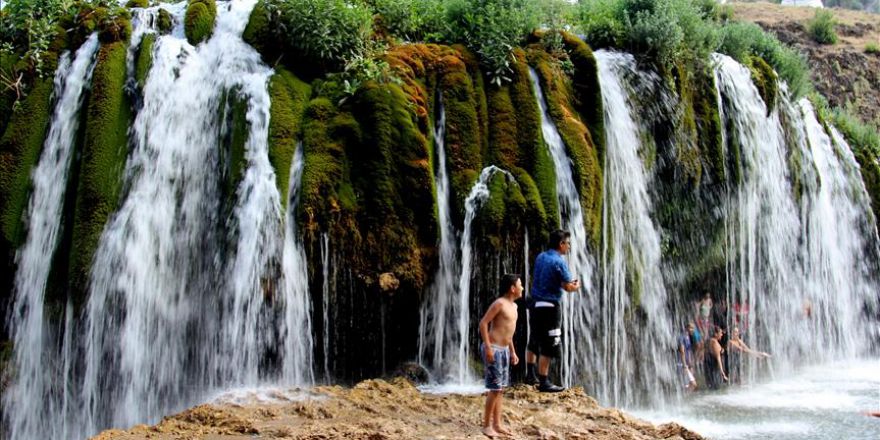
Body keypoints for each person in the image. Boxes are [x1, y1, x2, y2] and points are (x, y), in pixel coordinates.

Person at [524, 230, 581, 392]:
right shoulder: (559, 262)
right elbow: (568, 286)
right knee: (549, 344)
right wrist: (575, 286)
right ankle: (544, 382)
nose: (569, 247)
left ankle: (530, 374)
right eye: (567, 243)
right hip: (550, 307)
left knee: (534, 338)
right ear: (561, 244)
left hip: (534, 304)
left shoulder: (541, 257)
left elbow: (548, 279)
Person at [478, 274, 523, 438]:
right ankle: (486, 425)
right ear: (512, 288)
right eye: (520, 285)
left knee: (500, 389)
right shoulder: (499, 304)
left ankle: (497, 424)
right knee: (494, 389)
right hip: (494, 350)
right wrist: (488, 348)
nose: (522, 288)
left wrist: (512, 351)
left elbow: (508, 333)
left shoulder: (515, 307)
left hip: (504, 351)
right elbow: (483, 323)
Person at [677, 323, 698, 391]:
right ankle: (684, 397)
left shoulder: (688, 337)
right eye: (691, 328)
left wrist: (690, 363)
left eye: (693, 328)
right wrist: (685, 365)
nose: (693, 330)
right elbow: (682, 351)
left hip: (686, 363)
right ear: (687, 328)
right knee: (693, 384)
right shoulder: (681, 337)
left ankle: (683, 397)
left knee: (687, 384)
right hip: (681, 363)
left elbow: (688, 351)